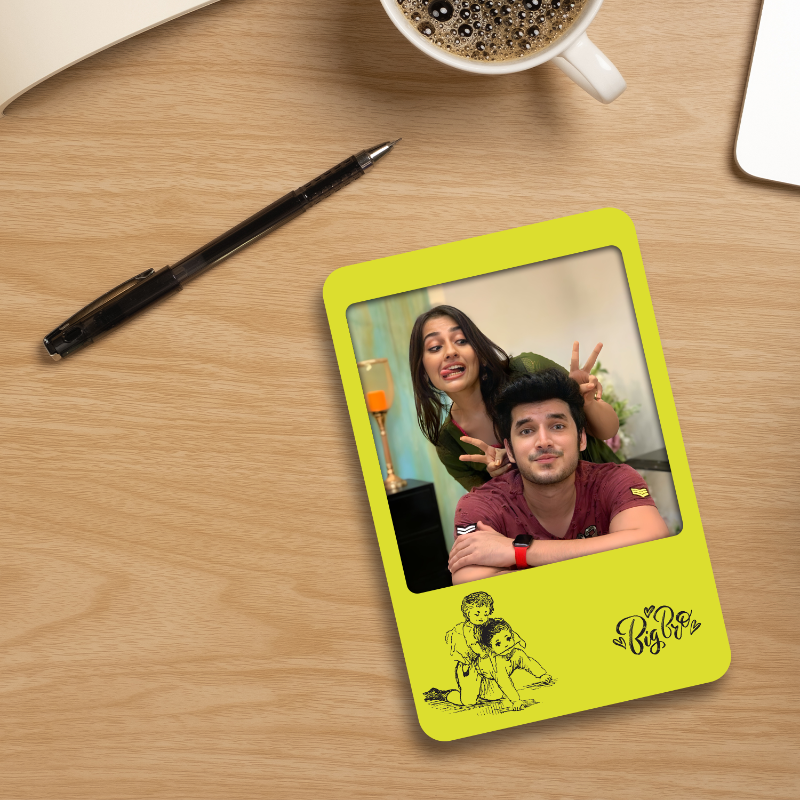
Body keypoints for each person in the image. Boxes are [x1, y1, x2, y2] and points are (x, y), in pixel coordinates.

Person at [448, 369, 669, 585]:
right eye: (526, 430)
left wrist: (518, 551)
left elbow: (653, 540)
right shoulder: (480, 505)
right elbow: (471, 585)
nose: (543, 441)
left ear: (581, 438)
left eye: (557, 426)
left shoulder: (615, 480)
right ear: (510, 450)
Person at [408, 305, 621, 492]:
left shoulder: (527, 368)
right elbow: (492, 507)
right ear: (423, 370)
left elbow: (607, 430)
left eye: (462, 340)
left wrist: (587, 401)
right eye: (435, 347)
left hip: (609, 492)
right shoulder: (450, 444)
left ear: (480, 353)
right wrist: (499, 477)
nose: (450, 352)